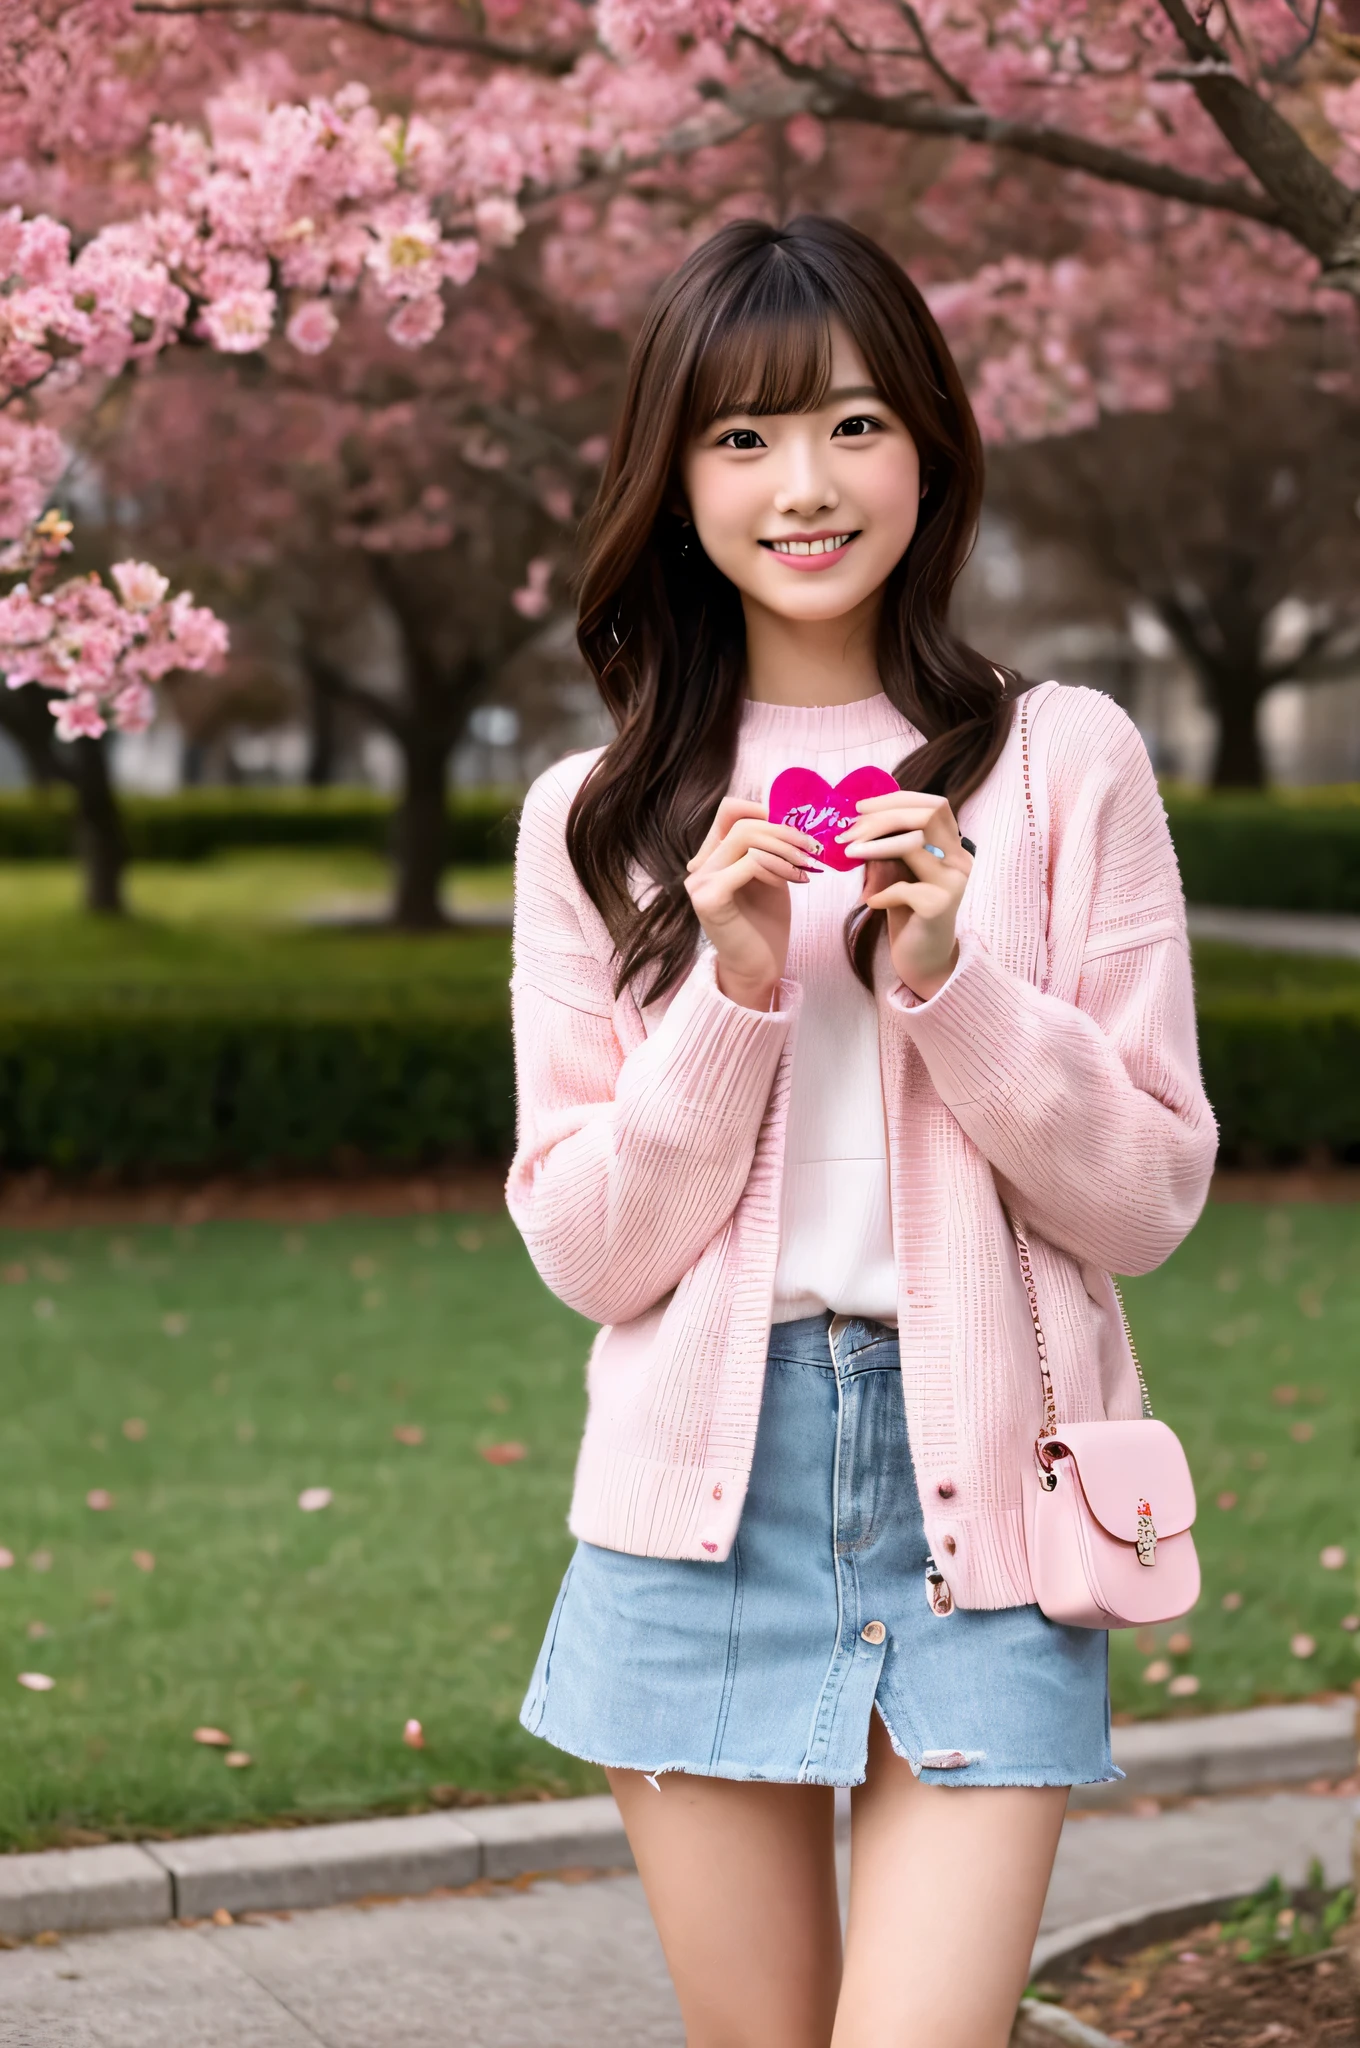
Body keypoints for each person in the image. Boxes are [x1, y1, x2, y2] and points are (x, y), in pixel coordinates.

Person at [504, 216, 1216, 2048]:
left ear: (933, 448)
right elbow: (590, 1248)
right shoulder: (595, 817)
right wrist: (735, 997)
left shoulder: (1065, 766)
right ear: (672, 480)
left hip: (992, 1493)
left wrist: (952, 980)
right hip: (696, 1513)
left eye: (851, 424)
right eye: (739, 439)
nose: (802, 487)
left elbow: (1144, 1199)